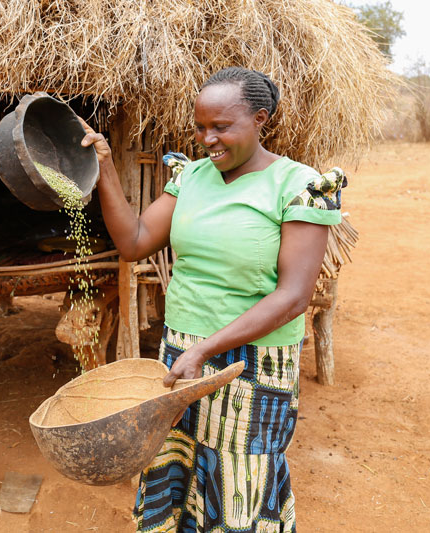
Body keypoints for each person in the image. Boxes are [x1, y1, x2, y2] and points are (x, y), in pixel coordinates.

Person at [80, 66, 346, 532]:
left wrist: (205, 350)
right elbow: (135, 241)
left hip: (253, 365)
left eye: (222, 127)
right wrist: (103, 168)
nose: (208, 139)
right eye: (201, 127)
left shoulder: (297, 185)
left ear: (261, 119)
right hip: (181, 356)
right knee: (176, 471)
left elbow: (293, 296)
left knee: (239, 482)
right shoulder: (192, 178)